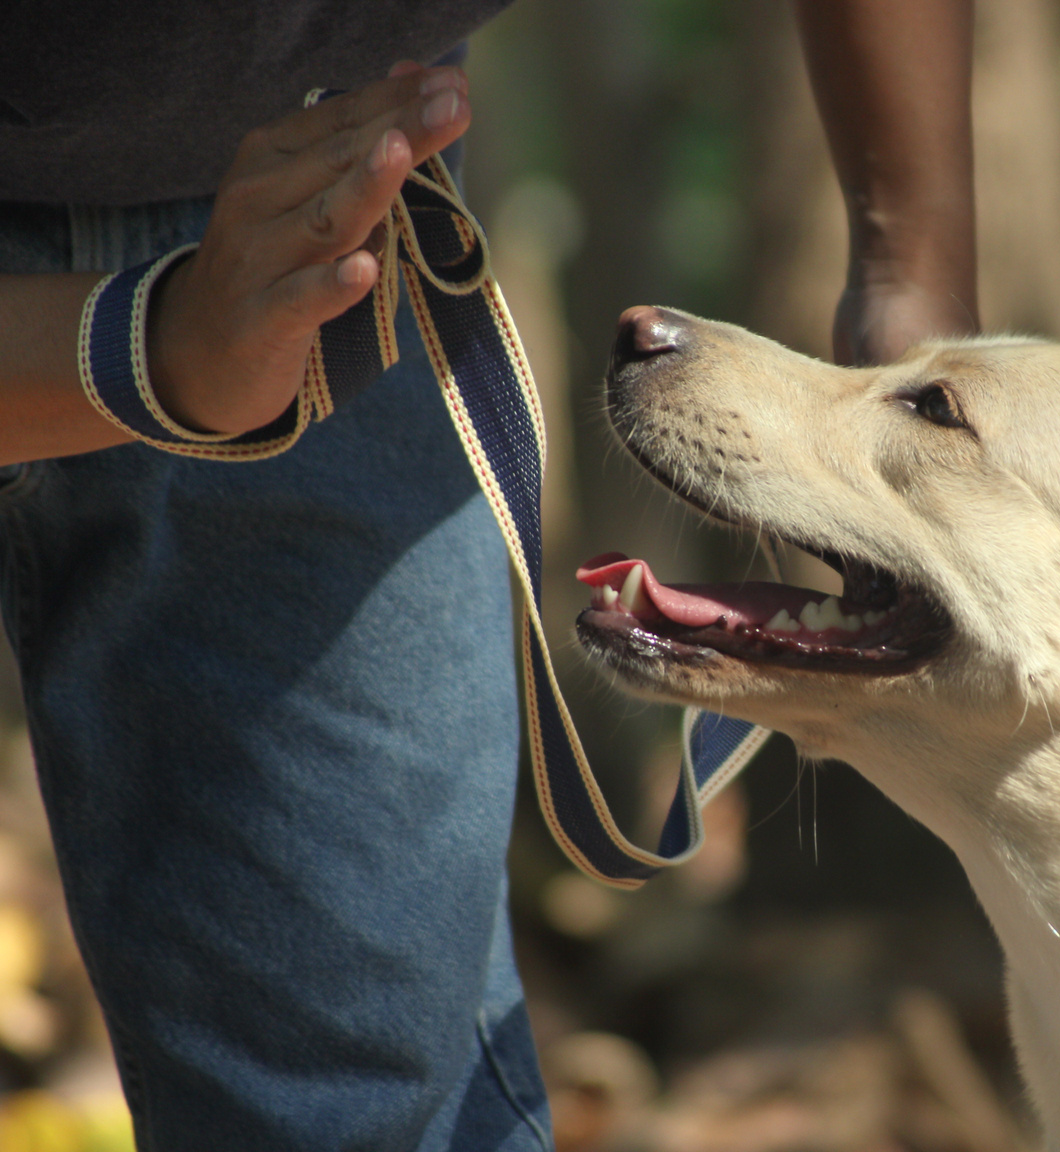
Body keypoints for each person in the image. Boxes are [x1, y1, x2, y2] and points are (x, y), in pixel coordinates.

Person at [0, 2, 976, 1147]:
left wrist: (913, 271)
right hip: (275, 263)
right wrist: (158, 351)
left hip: (325, 209)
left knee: (378, 1100)